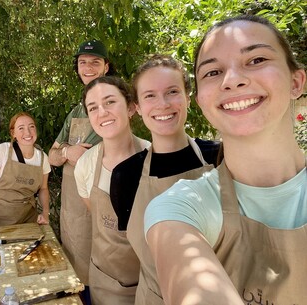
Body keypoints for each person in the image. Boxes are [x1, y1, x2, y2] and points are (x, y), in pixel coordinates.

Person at [145, 15, 307, 304]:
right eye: (213, 72)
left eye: (256, 60)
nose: (232, 80)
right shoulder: (179, 207)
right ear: (202, 103)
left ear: (297, 81)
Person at [110, 55, 220, 304]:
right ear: (137, 107)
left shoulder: (221, 157)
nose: (162, 104)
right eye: (149, 95)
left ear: (188, 99)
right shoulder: (125, 175)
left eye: (172, 91)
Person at [74, 76, 151, 304]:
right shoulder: (85, 165)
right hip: (105, 283)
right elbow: (98, 216)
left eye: (110, 102)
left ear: (130, 108)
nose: (102, 112)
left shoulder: (155, 156)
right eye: (93, 107)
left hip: (153, 283)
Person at [48, 40, 115, 293]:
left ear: (106, 67)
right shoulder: (76, 111)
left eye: (95, 62)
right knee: (75, 273)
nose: (88, 67)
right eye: (82, 62)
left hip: (101, 204)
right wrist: (68, 151)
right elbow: (51, 156)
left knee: (102, 276)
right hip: (71, 206)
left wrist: (75, 156)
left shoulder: (113, 105)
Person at [0, 112, 50, 230]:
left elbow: (43, 188)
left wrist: (45, 213)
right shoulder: (2, 151)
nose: (28, 132)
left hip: (28, 220)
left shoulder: (43, 158)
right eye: (21, 128)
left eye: (31, 126)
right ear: (13, 133)